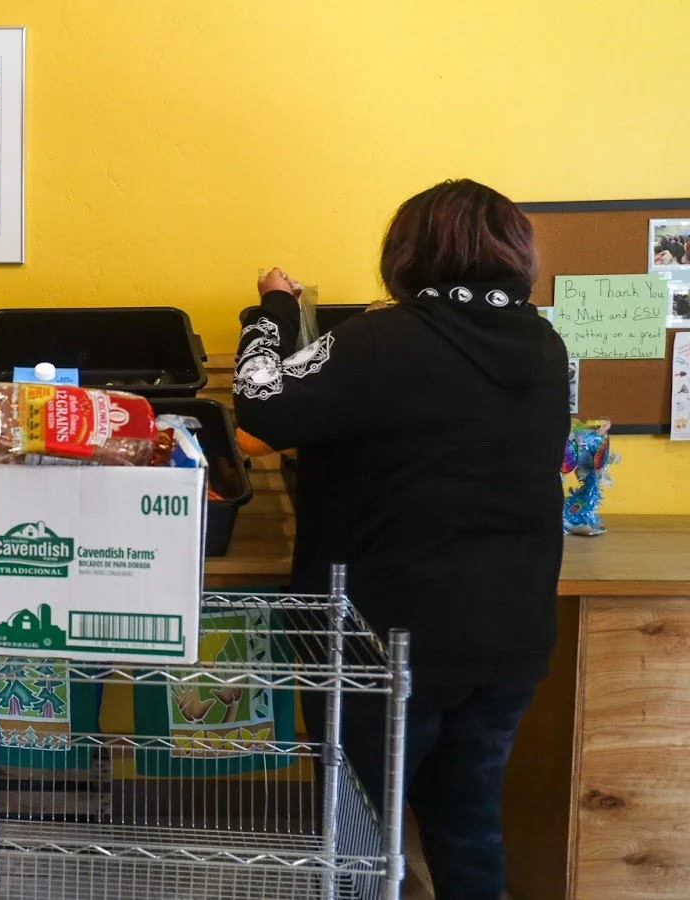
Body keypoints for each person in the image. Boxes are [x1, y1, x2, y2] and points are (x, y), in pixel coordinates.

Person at [233, 179, 569, 900]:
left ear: (410, 252)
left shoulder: (383, 339)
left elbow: (261, 407)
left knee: (356, 832)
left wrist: (272, 310)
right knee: (469, 823)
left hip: (380, 643)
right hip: (508, 639)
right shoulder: (545, 345)